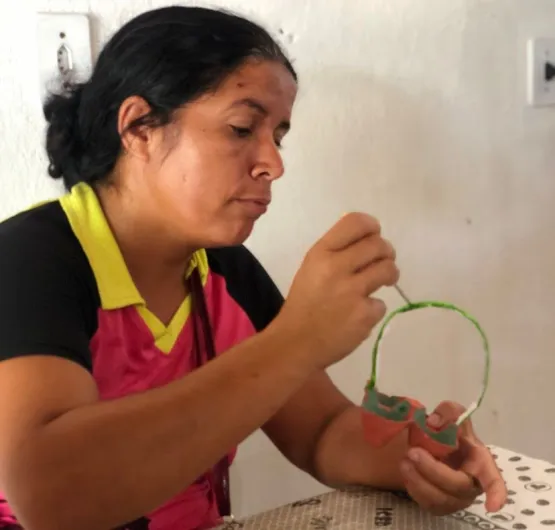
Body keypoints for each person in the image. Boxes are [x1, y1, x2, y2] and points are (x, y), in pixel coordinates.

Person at [0, 6, 506, 530]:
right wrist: (298, 339)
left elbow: (322, 430)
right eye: (242, 128)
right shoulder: (30, 262)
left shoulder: (224, 272)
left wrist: (417, 460)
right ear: (139, 128)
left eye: (278, 136)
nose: (274, 164)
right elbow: (51, 497)